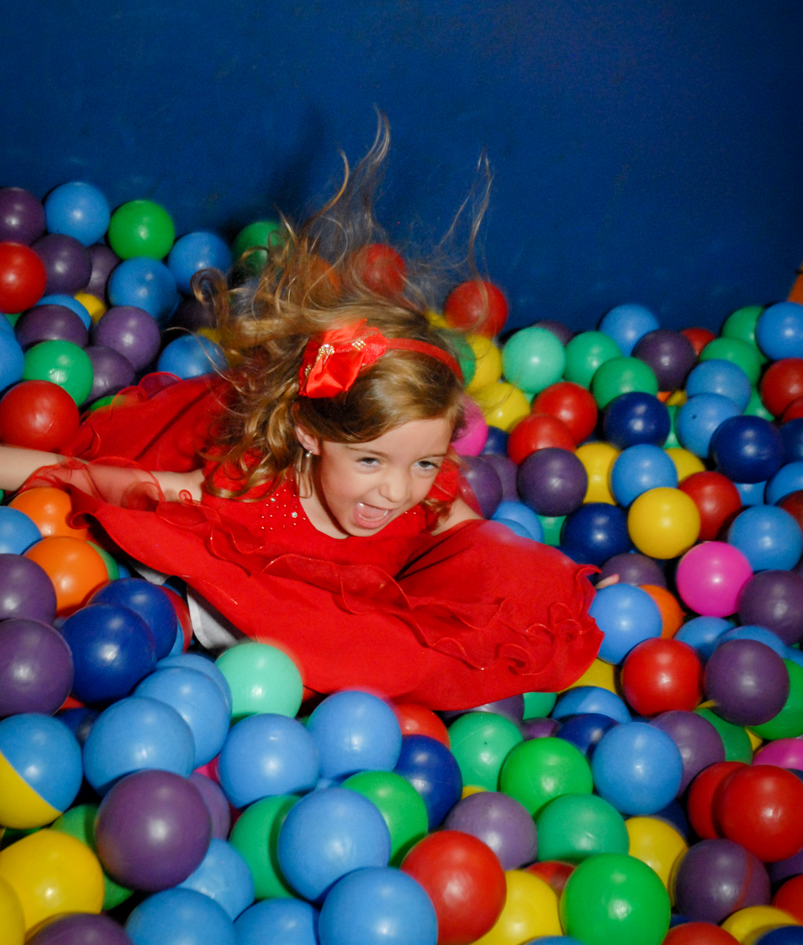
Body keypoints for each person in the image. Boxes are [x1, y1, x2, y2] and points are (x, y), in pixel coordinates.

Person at [0, 131, 603, 709]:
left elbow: (482, 548)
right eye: (370, 461)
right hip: (258, 599)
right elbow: (105, 479)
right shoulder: (253, 487)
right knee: (183, 588)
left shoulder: (428, 497)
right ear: (311, 433)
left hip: (349, 632)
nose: (397, 491)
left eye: (425, 462)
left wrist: (551, 590)